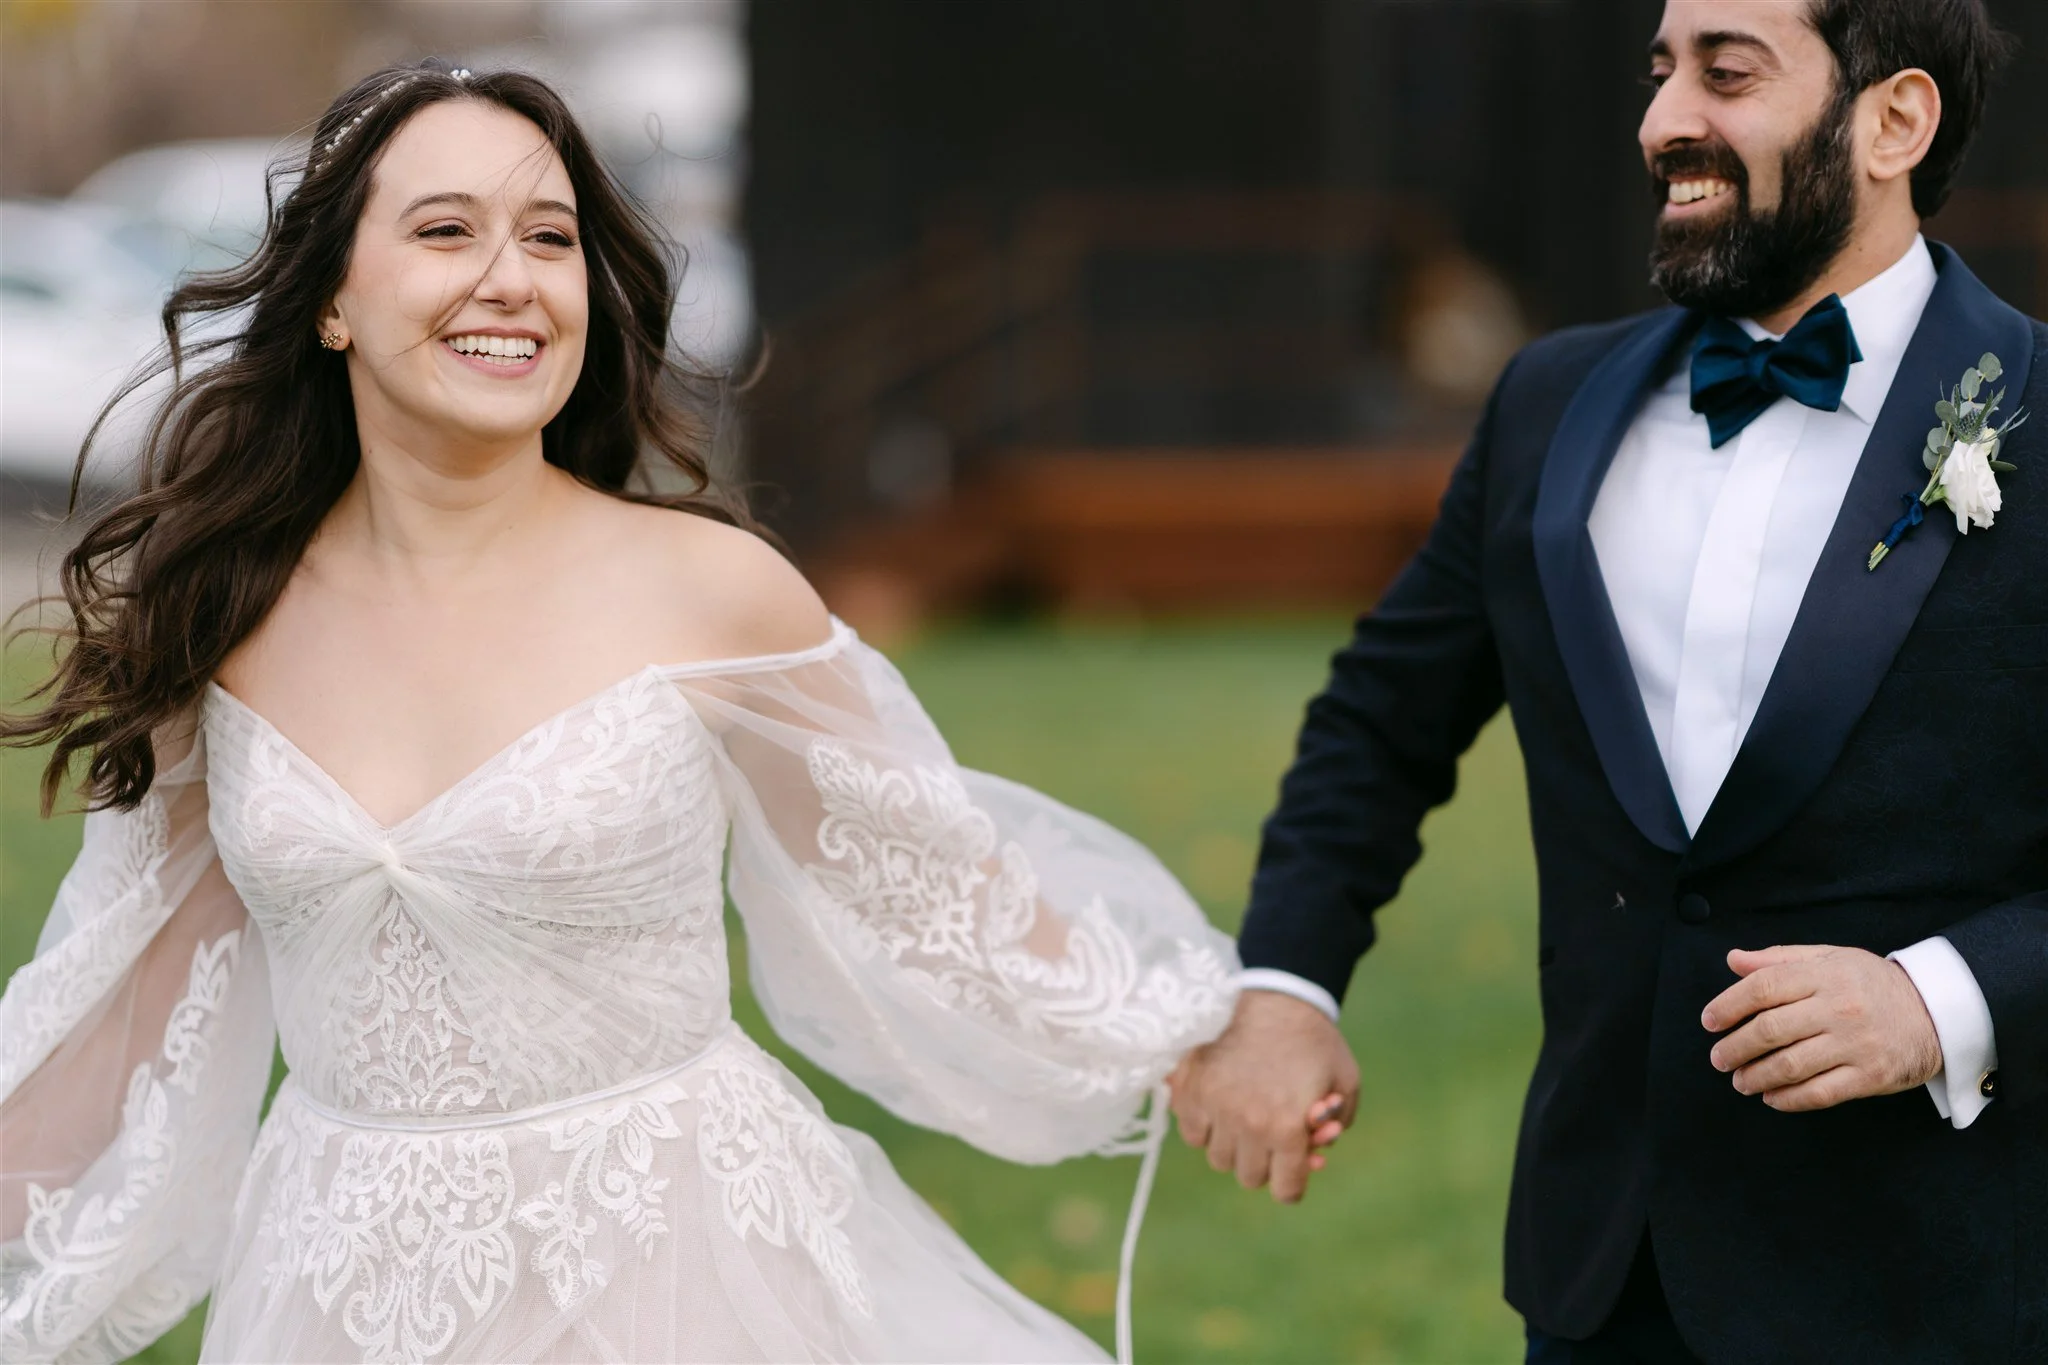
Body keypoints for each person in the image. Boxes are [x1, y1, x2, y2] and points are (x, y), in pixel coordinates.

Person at [0, 61, 1250, 1365]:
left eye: (551, 239)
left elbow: (939, 897)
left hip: (682, 1275)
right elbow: (114, 1029)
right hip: (341, 1292)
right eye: (445, 231)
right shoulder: (223, 620)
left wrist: (1207, 1029)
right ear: (328, 301)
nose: (512, 278)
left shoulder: (712, 592)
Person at [1169, 2, 2044, 1361]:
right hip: (1601, 1277)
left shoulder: (2038, 420)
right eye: (1658, 71)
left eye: (1726, 73)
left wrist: (1939, 1000)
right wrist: (1288, 979)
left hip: (1943, 1284)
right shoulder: (1546, 407)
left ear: (1895, 122)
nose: (1660, 122)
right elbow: (1380, 722)